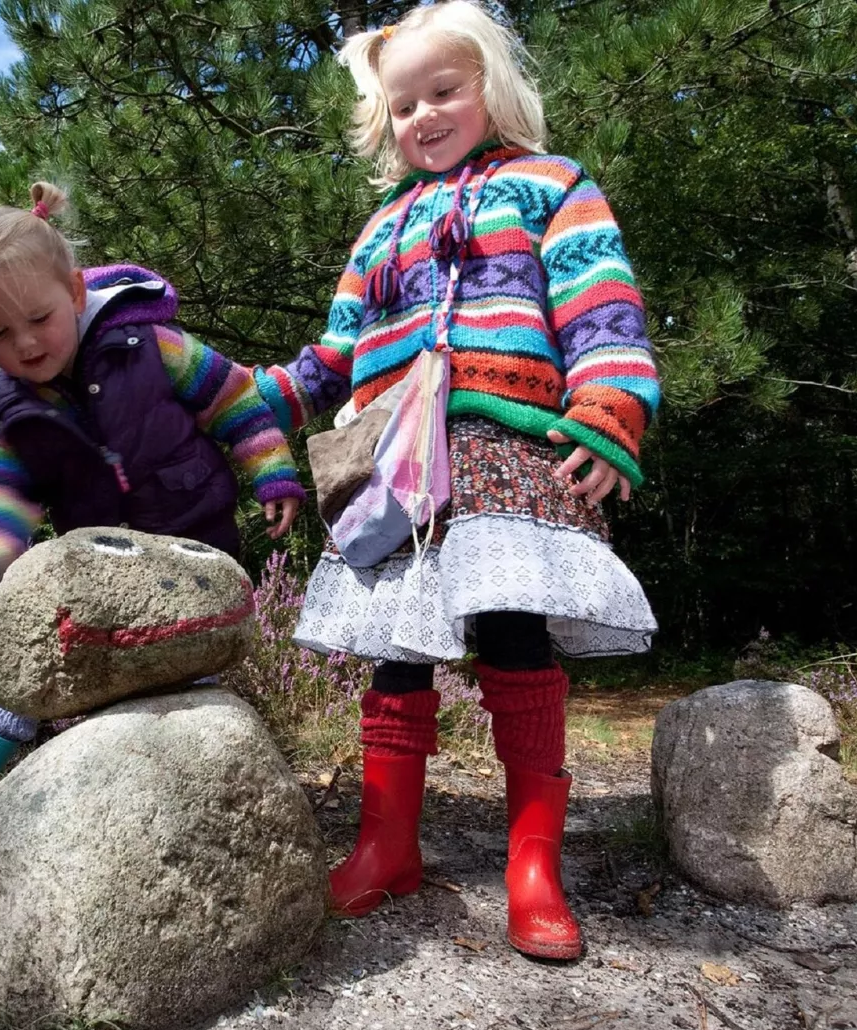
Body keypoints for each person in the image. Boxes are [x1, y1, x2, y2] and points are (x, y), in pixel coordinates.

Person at [255, 1, 660, 959]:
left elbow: (603, 309)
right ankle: (386, 842)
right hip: (397, 470)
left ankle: (534, 866)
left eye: (445, 91)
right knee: (398, 647)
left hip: (510, 451)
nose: (425, 116)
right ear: (384, 123)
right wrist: (251, 397)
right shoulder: (381, 228)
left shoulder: (551, 187)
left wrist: (610, 410)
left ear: (492, 88)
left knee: (515, 636)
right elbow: (333, 353)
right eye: (404, 106)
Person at [0, 182, 305, 869]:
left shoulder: (152, 346)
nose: (23, 345)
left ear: (77, 293)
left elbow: (233, 397)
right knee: (31, 656)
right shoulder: (18, 414)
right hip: (98, 570)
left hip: (191, 556)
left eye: (38, 319)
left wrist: (272, 470)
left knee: (184, 681)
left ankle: (193, 811)